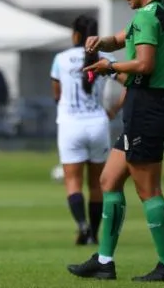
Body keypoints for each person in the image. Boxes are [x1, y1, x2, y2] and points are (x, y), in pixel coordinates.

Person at [68, 0, 164, 281]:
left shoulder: (148, 16)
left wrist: (110, 67)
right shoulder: (153, 14)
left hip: (147, 107)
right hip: (144, 106)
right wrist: (100, 42)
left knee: (149, 190)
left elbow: (144, 64)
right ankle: (104, 261)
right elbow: (120, 40)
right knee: (109, 180)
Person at [50, 15, 120, 246]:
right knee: (96, 185)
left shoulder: (61, 58)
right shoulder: (106, 57)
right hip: (98, 124)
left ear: (77, 34)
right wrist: (113, 110)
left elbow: (56, 93)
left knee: (73, 182)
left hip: (70, 124)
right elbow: (130, 83)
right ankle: (95, 234)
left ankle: (82, 226)